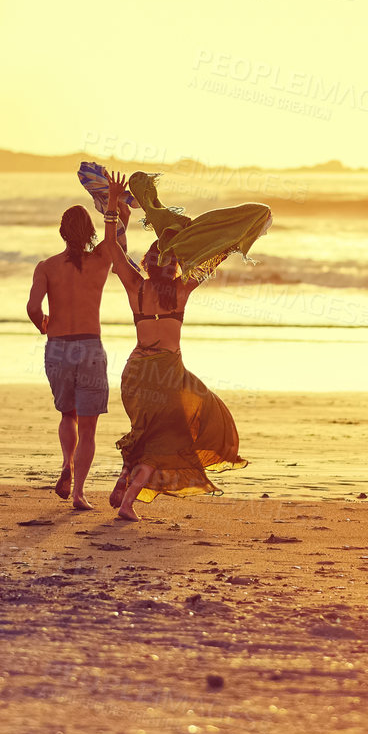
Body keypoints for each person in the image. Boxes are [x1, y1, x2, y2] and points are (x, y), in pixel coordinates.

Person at [96, 171, 265, 521]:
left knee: (145, 431)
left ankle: (122, 482)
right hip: (166, 373)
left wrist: (112, 203)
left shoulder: (136, 287)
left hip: (135, 372)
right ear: (176, 266)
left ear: (147, 262)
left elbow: (111, 248)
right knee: (165, 440)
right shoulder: (182, 291)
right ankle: (127, 502)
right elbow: (209, 261)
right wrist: (229, 243)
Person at [26, 205, 112, 510]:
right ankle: (78, 493)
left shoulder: (46, 267)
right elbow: (118, 238)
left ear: (62, 232)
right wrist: (114, 205)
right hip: (89, 346)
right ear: (91, 233)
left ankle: (67, 462)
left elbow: (34, 308)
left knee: (68, 415)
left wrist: (43, 325)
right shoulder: (102, 260)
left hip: (59, 347)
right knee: (88, 428)